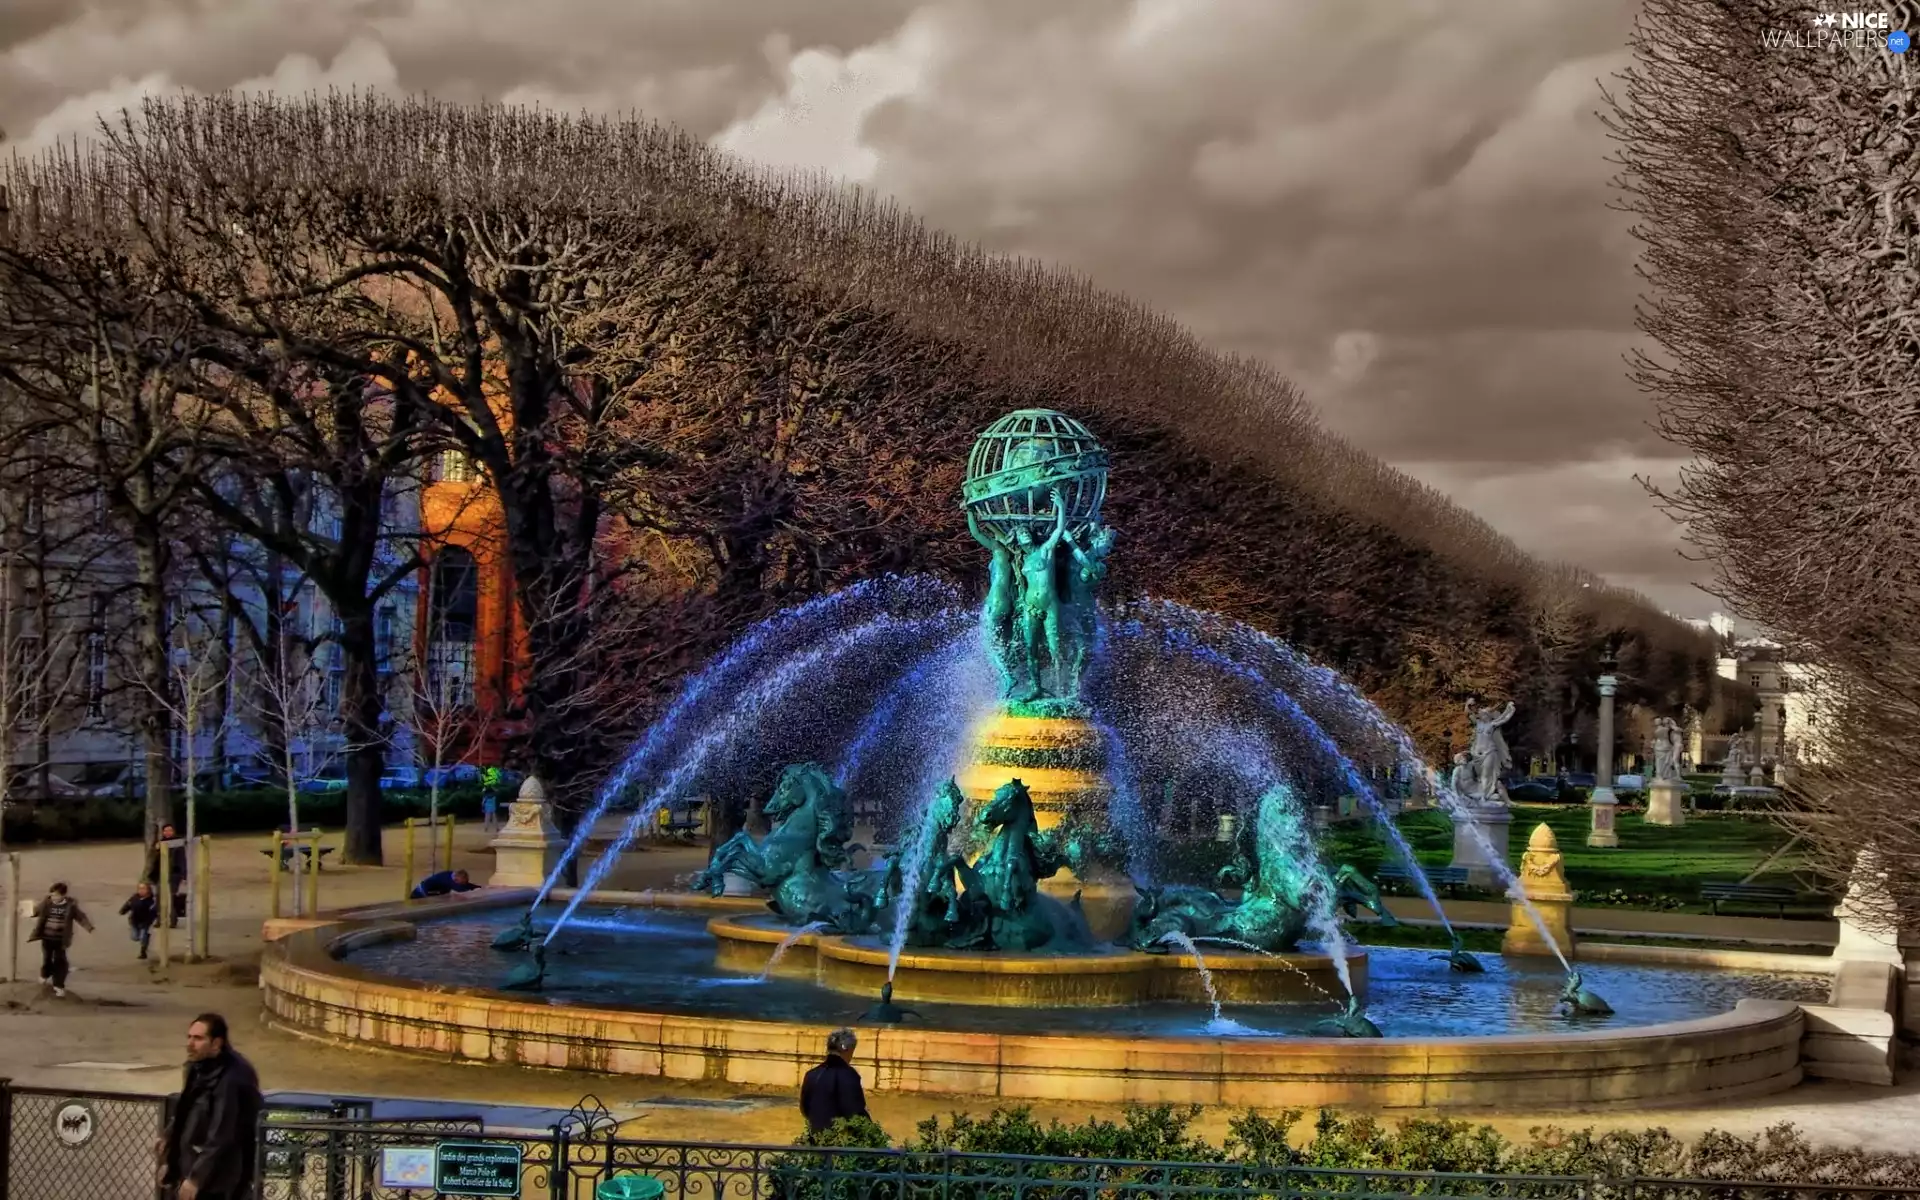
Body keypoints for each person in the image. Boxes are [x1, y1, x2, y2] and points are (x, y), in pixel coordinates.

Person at [158, 1013, 263, 1200]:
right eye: (189, 1037)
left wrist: (196, 1178)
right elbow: (186, 1109)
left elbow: (222, 1133)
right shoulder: (197, 1067)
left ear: (216, 1043)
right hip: (193, 1166)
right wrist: (169, 1140)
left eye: (198, 1038)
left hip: (221, 1179)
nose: (190, 1044)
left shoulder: (233, 1078)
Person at [28, 882, 94, 997]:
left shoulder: (70, 906)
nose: (54, 898)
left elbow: (80, 917)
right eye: (52, 895)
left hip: (61, 940)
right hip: (47, 937)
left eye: (56, 895)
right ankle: (44, 975)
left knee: (60, 961)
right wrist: (26, 911)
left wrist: (89, 927)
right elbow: (35, 911)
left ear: (63, 895)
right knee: (47, 958)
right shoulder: (47, 903)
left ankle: (58, 985)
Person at [798, 1028, 868, 1135]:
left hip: (816, 1139)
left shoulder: (811, 1074)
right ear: (847, 1050)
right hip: (840, 1143)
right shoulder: (849, 1075)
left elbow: (805, 1109)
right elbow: (855, 1114)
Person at [148, 822, 188, 927]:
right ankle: (159, 919)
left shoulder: (178, 843)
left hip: (174, 874)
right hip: (161, 874)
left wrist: (184, 875)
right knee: (159, 897)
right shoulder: (160, 843)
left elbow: (182, 860)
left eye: (169, 830)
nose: (168, 832)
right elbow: (154, 860)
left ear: (173, 831)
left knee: (170, 896)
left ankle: (172, 919)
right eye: (165, 831)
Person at [121, 881, 160, 960]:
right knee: (134, 937)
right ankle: (144, 938)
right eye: (140, 888)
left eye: (143, 888)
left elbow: (154, 912)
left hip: (145, 923)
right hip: (134, 921)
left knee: (143, 937)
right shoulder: (134, 898)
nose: (141, 890)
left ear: (148, 890)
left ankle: (143, 951)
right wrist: (123, 911)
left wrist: (154, 920)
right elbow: (128, 904)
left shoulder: (151, 901)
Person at [411, 868, 479, 899]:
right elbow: (461, 889)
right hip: (419, 894)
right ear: (456, 879)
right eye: (462, 882)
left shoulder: (454, 876)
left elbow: (467, 885)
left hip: (431, 892)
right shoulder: (448, 880)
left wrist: (478, 887)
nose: (464, 884)